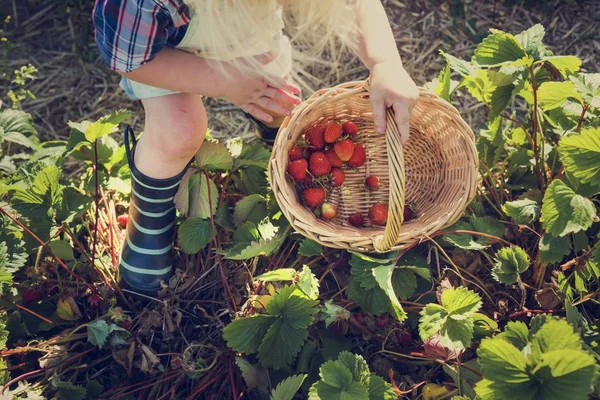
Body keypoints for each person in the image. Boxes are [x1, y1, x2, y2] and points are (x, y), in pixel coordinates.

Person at [93, 0, 419, 294]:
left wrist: (384, 63)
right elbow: (129, 58)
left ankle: (281, 167)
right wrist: (224, 83)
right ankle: (148, 215)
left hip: (243, 34)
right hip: (160, 53)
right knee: (179, 131)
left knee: (281, 107)